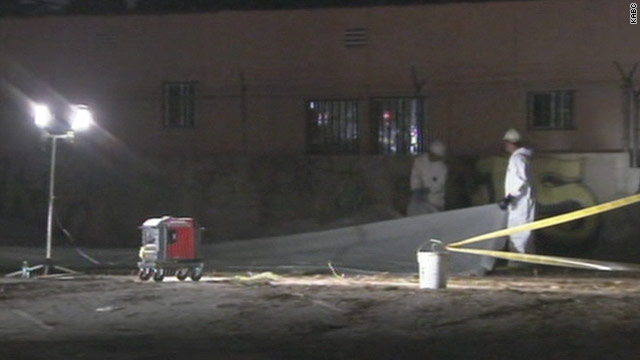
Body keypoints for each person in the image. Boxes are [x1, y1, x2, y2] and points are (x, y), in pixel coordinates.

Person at [498, 128, 536, 253]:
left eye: (506, 143)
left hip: (520, 204)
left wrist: (509, 198)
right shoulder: (523, 158)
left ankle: (519, 263)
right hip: (522, 203)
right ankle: (524, 263)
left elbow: (520, 181)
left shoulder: (517, 159)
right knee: (522, 233)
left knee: (518, 234)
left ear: (511, 143)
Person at [407, 140, 448, 216]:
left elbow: (439, 185)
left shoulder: (443, 168)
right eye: (432, 155)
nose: (433, 158)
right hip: (418, 194)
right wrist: (417, 188)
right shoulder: (419, 161)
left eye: (436, 157)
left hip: (434, 198)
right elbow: (415, 176)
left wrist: (428, 189)